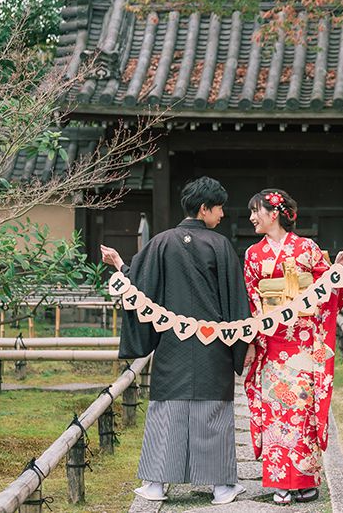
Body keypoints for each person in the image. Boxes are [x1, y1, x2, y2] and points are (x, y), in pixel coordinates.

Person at [100, 176, 250, 505]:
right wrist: (242, 344)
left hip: (173, 342)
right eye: (219, 208)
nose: (222, 214)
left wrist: (121, 266)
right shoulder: (220, 246)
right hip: (214, 344)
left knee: (168, 410)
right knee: (212, 412)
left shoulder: (161, 242)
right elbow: (237, 301)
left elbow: (140, 288)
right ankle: (222, 487)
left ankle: (155, 483)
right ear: (204, 209)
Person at [243, 188, 343, 505]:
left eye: (256, 211)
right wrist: (252, 339)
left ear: (273, 213)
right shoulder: (253, 255)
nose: (252, 218)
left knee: (301, 410)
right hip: (271, 342)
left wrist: (337, 268)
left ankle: (304, 478)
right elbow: (251, 298)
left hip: (303, 342)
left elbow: (326, 287)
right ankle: (280, 481)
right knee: (276, 410)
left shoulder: (306, 248)